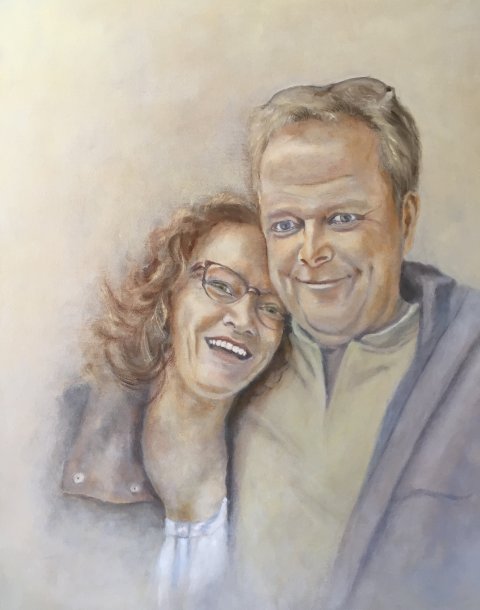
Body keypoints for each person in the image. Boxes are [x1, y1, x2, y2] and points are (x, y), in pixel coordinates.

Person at [229, 77, 480, 610]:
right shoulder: (230, 359)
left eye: (342, 218)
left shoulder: (470, 364)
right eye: (286, 224)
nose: (310, 251)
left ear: (405, 220)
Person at [60, 192, 287, 608]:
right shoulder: (68, 436)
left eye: (271, 308)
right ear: (169, 292)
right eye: (221, 285)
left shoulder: (282, 479)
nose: (243, 320)